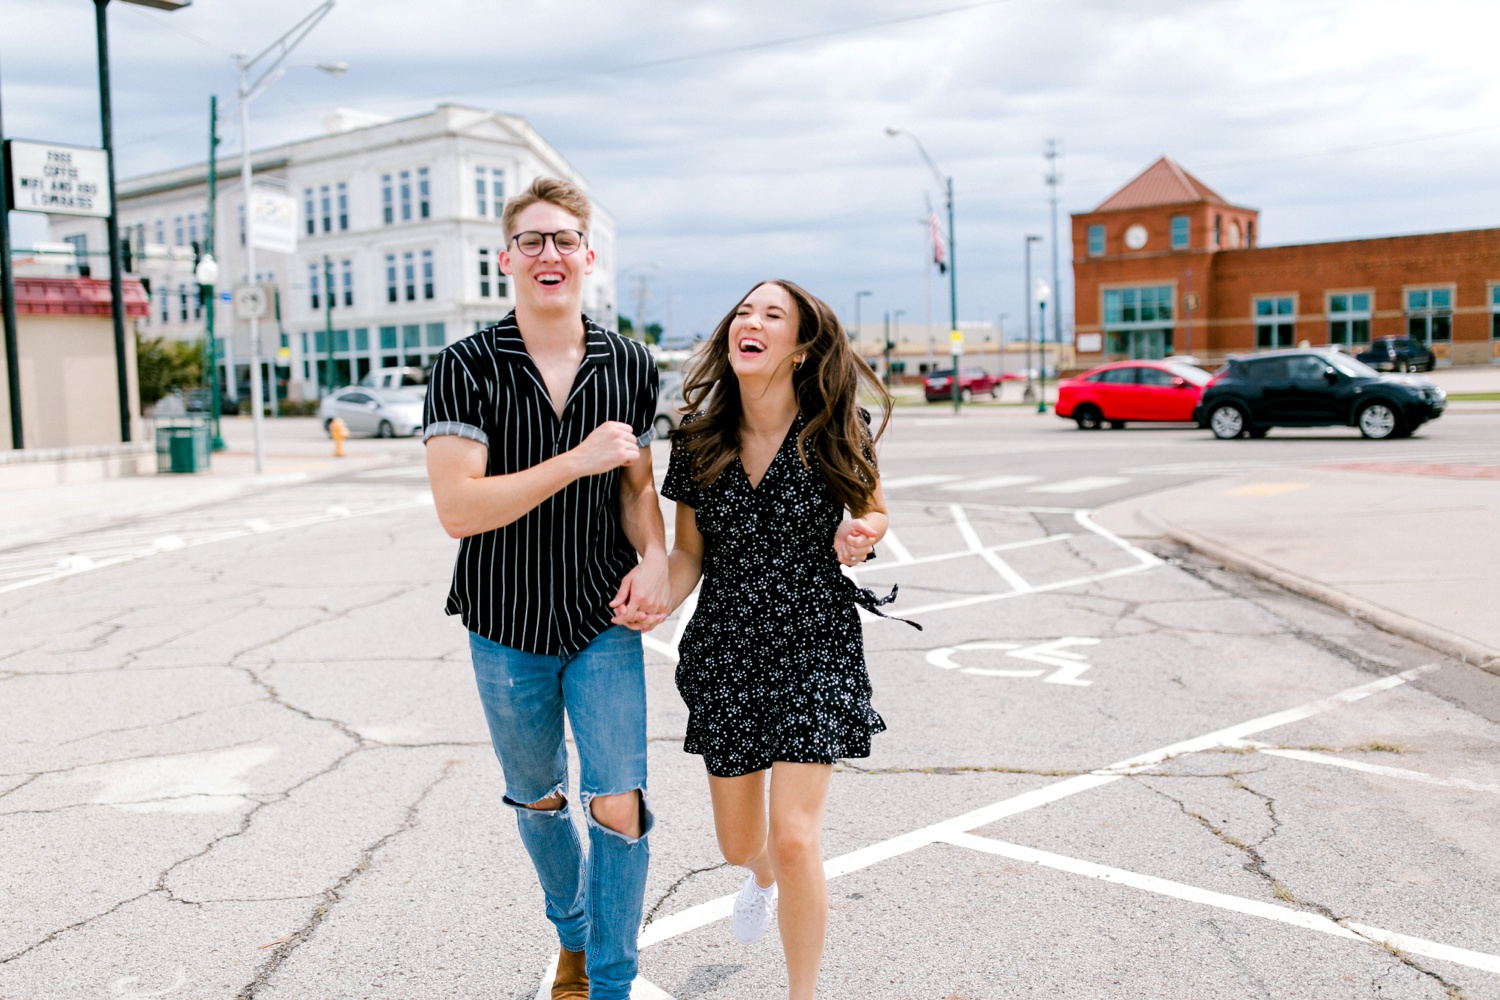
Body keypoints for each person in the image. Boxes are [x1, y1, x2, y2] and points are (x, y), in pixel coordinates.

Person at [423, 177, 669, 1000]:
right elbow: (459, 509)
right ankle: (573, 935)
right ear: (507, 260)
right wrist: (574, 460)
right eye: (531, 240)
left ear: (588, 256)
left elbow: (636, 487)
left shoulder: (629, 363)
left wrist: (655, 556)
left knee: (619, 802)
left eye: (564, 239)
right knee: (539, 800)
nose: (548, 253)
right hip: (504, 619)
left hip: (602, 617)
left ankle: (611, 981)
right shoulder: (465, 367)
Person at [657, 279, 918, 999]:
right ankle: (760, 876)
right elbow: (688, 554)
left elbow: (874, 510)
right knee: (741, 843)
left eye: (773, 314)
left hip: (815, 641)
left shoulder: (835, 427)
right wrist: (652, 601)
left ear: (801, 348)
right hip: (726, 649)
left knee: (798, 836)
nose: (752, 321)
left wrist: (862, 533)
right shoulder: (697, 439)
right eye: (745, 311)